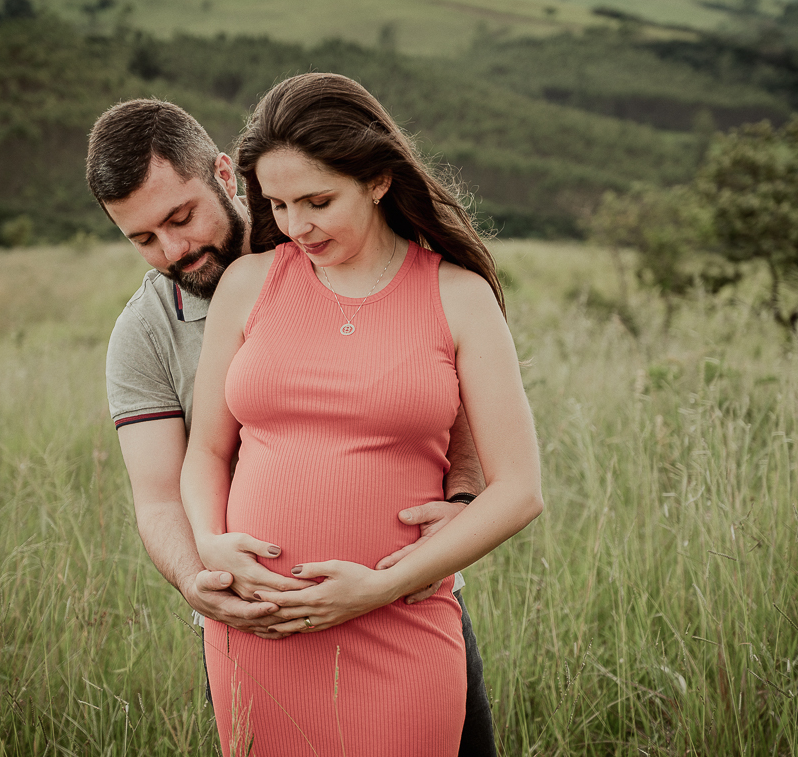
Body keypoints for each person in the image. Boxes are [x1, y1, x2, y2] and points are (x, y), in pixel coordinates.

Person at [86, 98, 501, 754]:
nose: (173, 249)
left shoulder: (355, 252)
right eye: (142, 239)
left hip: (402, 607)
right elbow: (162, 491)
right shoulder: (145, 334)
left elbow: (447, 408)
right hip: (259, 626)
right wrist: (202, 579)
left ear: (226, 176)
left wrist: (463, 499)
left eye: (181, 217)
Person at [181, 73, 542, 755]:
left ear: (378, 179)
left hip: (399, 623)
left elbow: (521, 490)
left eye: (319, 201)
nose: (296, 226)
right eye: (278, 203)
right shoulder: (249, 284)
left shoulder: (458, 296)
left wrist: (377, 588)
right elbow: (206, 453)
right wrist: (208, 539)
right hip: (262, 631)